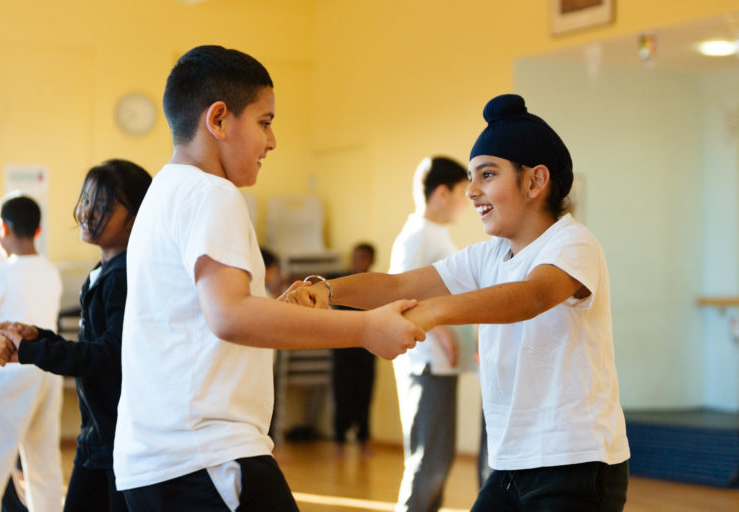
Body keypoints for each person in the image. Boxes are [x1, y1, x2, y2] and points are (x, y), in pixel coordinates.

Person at [112, 45, 424, 512]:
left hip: (161, 461)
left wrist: (274, 312)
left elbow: (207, 318)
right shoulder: (211, 193)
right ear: (218, 120)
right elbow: (229, 316)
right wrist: (365, 328)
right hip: (207, 455)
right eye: (264, 121)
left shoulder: (164, 191)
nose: (273, 141)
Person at [287, 94, 630, 511]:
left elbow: (532, 296)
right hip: (510, 467)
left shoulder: (572, 242)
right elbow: (397, 287)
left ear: (536, 181)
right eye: (470, 177)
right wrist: (327, 290)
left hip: (576, 463)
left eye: (487, 175)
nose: (471, 191)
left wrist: (432, 313)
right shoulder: (489, 254)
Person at [0, 160, 152, 512]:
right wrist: (39, 336)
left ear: (137, 217)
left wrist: (33, 350)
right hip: (97, 437)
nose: (88, 212)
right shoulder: (102, 272)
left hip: (121, 441)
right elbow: (93, 348)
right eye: (87, 201)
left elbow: (109, 356)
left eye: (105, 206)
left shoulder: (125, 277)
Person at [388, 156, 474, 512]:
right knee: (429, 459)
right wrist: (443, 335)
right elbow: (403, 297)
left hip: (441, 364)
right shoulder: (417, 236)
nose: (467, 201)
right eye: (462, 193)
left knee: (438, 457)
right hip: (426, 362)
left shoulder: (434, 234)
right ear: (442, 192)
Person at [0, 194, 64, 512]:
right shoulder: (49, 270)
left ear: (3, 228)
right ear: (37, 231)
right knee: (44, 465)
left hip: (11, 377)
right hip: (47, 375)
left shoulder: (1, 273)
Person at [331, 242, 377, 457]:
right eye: (355, 256)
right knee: (342, 394)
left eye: (362, 257)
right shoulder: (340, 281)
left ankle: (363, 439)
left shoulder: (376, 284)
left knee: (364, 396)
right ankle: (339, 440)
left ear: (370, 260)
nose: (358, 261)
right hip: (342, 349)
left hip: (366, 350)